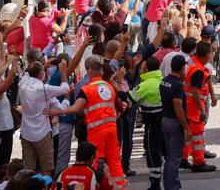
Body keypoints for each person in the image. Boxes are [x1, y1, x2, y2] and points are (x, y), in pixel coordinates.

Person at [56, 56, 125, 189]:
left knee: (95, 162)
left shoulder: (86, 87)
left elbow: (77, 109)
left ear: (88, 70)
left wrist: (56, 112)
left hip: (96, 130)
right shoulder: (109, 86)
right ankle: (120, 187)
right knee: (115, 162)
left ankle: (94, 186)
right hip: (111, 129)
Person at [181, 41, 217, 173]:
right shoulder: (198, 70)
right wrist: (202, 110)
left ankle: (183, 159)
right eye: (210, 53)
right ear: (206, 55)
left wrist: (212, 96)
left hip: (188, 106)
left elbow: (207, 80)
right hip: (194, 108)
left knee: (188, 134)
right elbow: (195, 90)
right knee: (197, 136)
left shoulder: (193, 62)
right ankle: (198, 162)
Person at [131, 56, 165, 190]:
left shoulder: (146, 84)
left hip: (152, 123)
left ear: (145, 68)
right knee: (162, 150)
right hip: (164, 120)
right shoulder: (163, 80)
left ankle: (155, 182)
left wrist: (116, 86)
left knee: (152, 150)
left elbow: (131, 96)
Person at [160, 56, 191, 190]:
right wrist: (186, 128)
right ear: (182, 68)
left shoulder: (165, 81)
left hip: (165, 120)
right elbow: (178, 107)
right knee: (174, 157)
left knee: (169, 156)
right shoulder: (177, 85)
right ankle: (172, 186)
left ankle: (172, 184)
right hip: (174, 123)